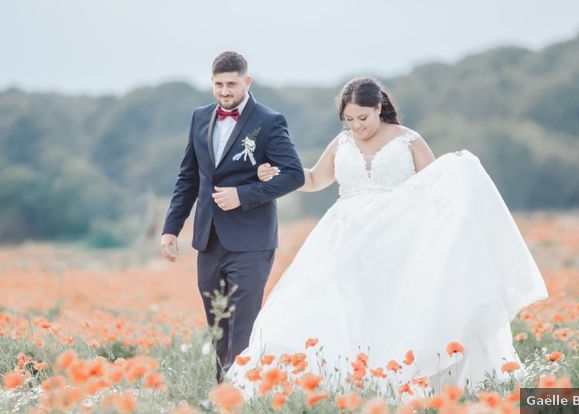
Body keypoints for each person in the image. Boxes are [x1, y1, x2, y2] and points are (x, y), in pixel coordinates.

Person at [225, 77, 548, 394]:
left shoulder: (408, 140)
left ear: (379, 108)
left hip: (397, 235)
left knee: (392, 307)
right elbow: (313, 179)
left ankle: (397, 377)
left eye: (362, 118)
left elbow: (435, 183)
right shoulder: (342, 143)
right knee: (318, 300)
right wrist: (279, 173)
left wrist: (458, 171)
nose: (356, 126)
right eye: (348, 120)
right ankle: (336, 380)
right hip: (344, 236)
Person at [160, 51, 305, 383]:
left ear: (246, 81)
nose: (225, 91)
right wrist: (171, 228)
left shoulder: (269, 121)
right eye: (218, 84)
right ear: (211, 82)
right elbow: (189, 178)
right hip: (208, 239)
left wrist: (243, 195)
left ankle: (237, 395)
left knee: (242, 322)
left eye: (231, 84)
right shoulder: (199, 117)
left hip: (252, 241)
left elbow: (293, 174)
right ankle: (224, 390)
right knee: (218, 323)